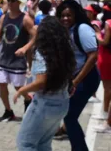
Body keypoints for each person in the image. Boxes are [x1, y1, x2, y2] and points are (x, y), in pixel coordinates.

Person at [14, 16, 76, 151]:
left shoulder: (43, 52)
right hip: (62, 104)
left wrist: (22, 90)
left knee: (26, 143)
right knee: (43, 144)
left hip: (44, 105)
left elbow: (41, 81)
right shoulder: (65, 51)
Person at [55, 0, 100, 151]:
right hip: (76, 78)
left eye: (69, 15)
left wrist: (76, 81)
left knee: (69, 116)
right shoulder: (68, 30)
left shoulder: (82, 29)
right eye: (62, 15)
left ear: (76, 15)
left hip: (86, 78)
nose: (65, 18)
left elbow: (93, 56)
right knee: (69, 116)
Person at [0, 0, 36, 122]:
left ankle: (28, 100)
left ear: (18, 3)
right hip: (4, 57)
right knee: (1, 84)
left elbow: (36, 36)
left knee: (18, 87)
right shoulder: (3, 17)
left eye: (13, 1)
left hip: (18, 60)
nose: (10, 3)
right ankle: (8, 111)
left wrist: (25, 48)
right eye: (9, 0)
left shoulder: (25, 19)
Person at [93, 4, 111, 128]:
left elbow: (105, 42)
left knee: (108, 88)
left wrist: (98, 34)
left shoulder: (109, 23)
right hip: (107, 57)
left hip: (107, 57)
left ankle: (107, 120)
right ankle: (105, 113)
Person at [84, 3, 102, 104]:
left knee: (92, 73)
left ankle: (93, 94)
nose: (86, 12)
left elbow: (98, 37)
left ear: (93, 13)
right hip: (95, 51)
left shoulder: (94, 24)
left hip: (95, 52)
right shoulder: (94, 22)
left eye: (88, 11)